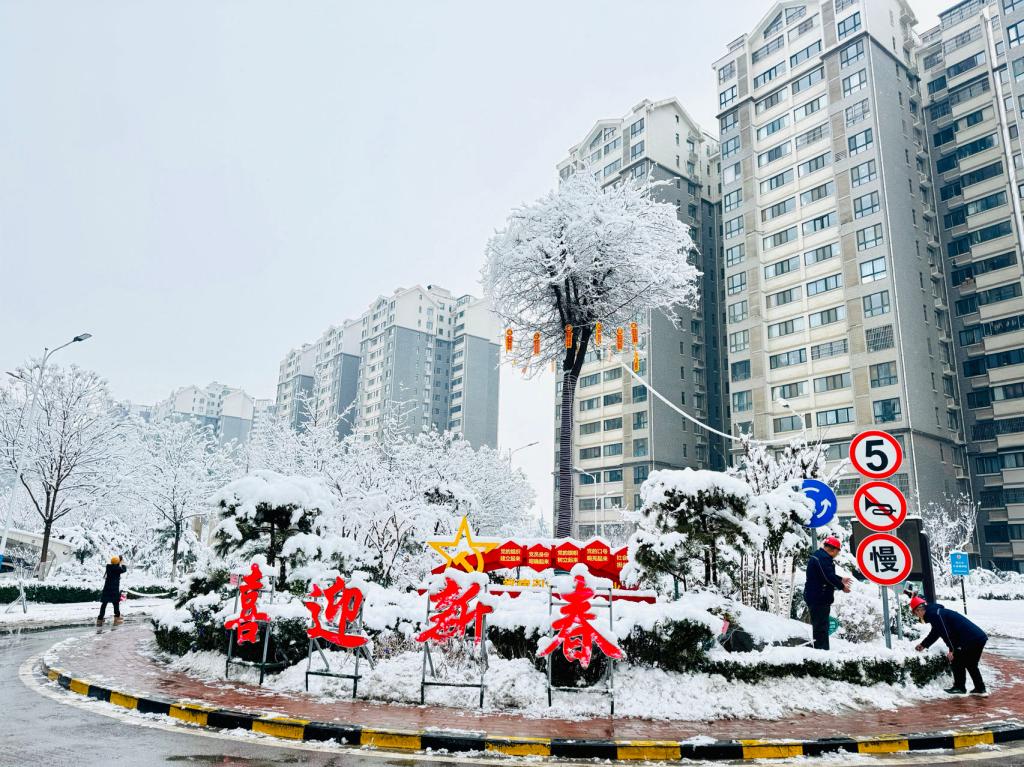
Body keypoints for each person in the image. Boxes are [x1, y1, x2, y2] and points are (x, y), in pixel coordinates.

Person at [911, 596, 988, 695]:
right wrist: (924, 644)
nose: (917, 616)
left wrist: (952, 650)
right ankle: (980, 688)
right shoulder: (936, 612)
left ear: (919, 610)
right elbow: (936, 632)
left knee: (956, 660)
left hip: (970, 639)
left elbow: (947, 633)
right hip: (978, 637)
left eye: (916, 613)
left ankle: (959, 688)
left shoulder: (935, 615)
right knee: (971, 664)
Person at [803, 536, 852, 650]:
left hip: (816, 596)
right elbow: (827, 576)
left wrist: (840, 579)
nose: (837, 554)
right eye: (838, 552)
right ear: (833, 550)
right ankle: (822, 651)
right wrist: (842, 587)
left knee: (821, 626)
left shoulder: (819, 556)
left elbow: (824, 574)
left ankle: (821, 650)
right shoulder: (823, 558)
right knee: (821, 627)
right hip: (819, 597)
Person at [97, 555, 127, 626]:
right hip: (114, 589)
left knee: (104, 604)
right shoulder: (117, 569)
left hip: (107, 589)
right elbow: (124, 569)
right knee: (116, 603)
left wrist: (118, 562)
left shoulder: (109, 567)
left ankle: (100, 619)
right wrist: (122, 563)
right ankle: (117, 617)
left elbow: (116, 567)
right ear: (117, 563)